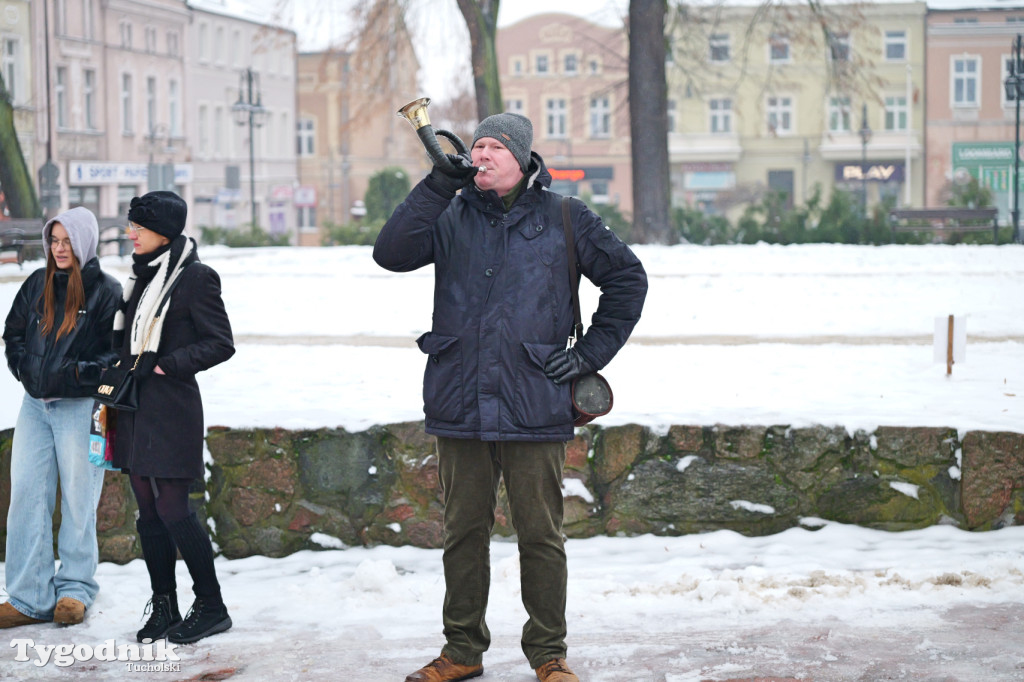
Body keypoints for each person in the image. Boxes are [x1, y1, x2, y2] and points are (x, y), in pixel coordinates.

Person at [374, 114, 647, 682]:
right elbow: (391, 254)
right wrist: (434, 186)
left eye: (495, 146)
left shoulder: (566, 217)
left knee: (541, 536)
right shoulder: (447, 210)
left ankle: (548, 654)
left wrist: (591, 354)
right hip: (460, 398)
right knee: (462, 534)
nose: (481, 154)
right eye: (476, 146)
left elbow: (627, 278)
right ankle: (461, 651)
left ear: (522, 158)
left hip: (535, 398)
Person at [109, 191, 235, 644]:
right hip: (135, 407)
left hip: (172, 408)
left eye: (138, 228)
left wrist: (165, 363)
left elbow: (220, 342)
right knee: (147, 512)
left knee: (173, 509)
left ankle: (212, 605)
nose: (130, 235)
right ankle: (165, 604)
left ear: (162, 231)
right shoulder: (139, 279)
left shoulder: (195, 278)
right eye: (132, 226)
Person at [1, 207, 122, 628]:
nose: (59, 249)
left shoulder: (107, 291)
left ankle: (74, 590)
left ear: (84, 242)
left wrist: (74, 375)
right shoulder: (37, 283)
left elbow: (114, 355)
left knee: (77, 499)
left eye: (67, 241)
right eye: (54, 241)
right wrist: (25, 369)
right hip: (35, 406)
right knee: (27, 497)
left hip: (78, 408)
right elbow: (13, 332)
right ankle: (27, 596)